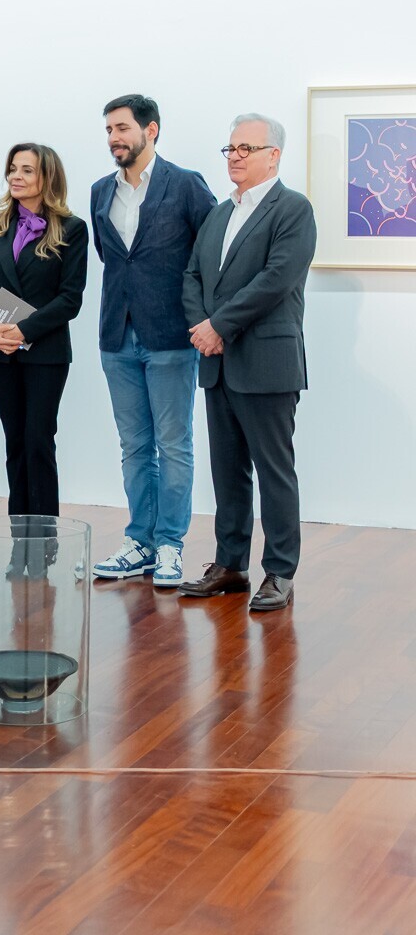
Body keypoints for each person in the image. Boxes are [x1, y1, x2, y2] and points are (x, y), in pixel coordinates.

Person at [180, 114, 316, 611]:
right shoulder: (220, 213)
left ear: (273, 155)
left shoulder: (293, 209)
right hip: (218, 363)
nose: (234, 156)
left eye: (246, 148)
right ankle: (231, 565)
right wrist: (202, 327)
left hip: (266, 362)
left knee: (274, 472)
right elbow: (192, 276)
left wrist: (219, 326)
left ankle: (279, 571)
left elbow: (276, 280)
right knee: (227, 471)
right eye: (230, 148)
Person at [89, 94, 216, 587]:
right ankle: (139, 541)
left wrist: (206, 318)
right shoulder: (101, 191)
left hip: (171, 336)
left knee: (174, 444)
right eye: (109, 130)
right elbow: (111, 258)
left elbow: (209, 254)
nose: (114, 138)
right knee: (134, 446)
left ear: (151, 130)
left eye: (122, 128)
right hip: (117, 336)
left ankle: (169, 545)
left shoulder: (185, 185)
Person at [0, 143, 88, 524]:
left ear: (47, 177)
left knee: (38, 440)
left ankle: (45, 535)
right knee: (15, 441)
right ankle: (18, 531)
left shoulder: (72, 228)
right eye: (12, 169)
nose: (15, 177)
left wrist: (22, 330)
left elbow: (70, 299)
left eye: (26, 170)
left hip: (45, 351)